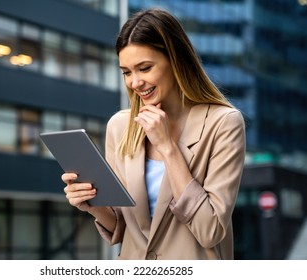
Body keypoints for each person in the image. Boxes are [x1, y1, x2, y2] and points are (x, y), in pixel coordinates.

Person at [62, 8, 246, 260]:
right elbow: (122, 227)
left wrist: (168, 147)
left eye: (145, 68)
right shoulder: (120, 127)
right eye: (126, 72)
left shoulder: (223, 123)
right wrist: (91, 204)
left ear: (176, 60)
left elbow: (210, 230)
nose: (134, 82)